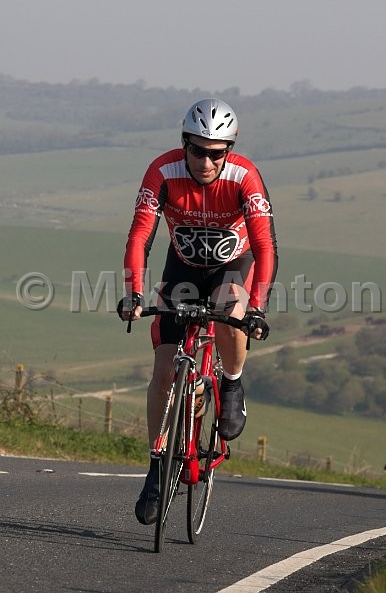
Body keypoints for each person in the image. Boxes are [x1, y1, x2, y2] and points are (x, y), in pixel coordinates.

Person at [118, 98, 278, 525]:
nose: (205, 161)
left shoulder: (244, 177)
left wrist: (257, 308)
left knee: (229, 306)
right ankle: (156, 466)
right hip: (183, 266)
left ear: (228, 151)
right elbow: (140, 235)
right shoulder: (163, 171)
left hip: (233, 263)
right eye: (196, 150)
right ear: (184, 143)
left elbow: (265, 246)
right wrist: (135, 293)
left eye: (215, 153)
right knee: (163, 371)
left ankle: (232, 383)